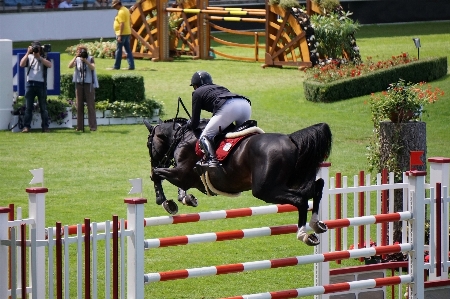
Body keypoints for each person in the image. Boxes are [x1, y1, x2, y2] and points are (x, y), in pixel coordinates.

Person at [186, 71, 252, 168]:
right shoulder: (220, 87)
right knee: (242, 135)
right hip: (244, 103)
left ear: (195, 85)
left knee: (205, 136)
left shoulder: (197, 92)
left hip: (229, 107)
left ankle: (212, 160)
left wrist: (189, 124)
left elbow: (195, 123)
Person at [19, 41, 52, 133]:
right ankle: (26, 126)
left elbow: (49, 65)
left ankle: (45, 127)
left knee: (43, 107)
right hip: (30, 83)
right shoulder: (29, 57)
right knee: (28, 107)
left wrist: (39, 58)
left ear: (40, 48)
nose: (36, 50)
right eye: (34, 48)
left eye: (37, 48)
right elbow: (21, 64)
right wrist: (27, 52)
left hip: (41, 84)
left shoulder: (44, 56)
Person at [68, 46, 99, 132]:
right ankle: (79, 126)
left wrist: (85, 61)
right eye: (79, 51)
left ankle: (93, 126)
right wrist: (75, 56)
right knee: (79, 105)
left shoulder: (90, 58)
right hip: (79, 83)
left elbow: (93, 67)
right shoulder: (77, 59)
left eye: (82, 51)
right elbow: (69, 66)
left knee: (90, 105)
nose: (81, 53)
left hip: (88, 84)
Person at [110, 0, 135, 70]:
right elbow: (129, 22)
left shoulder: (121, 12)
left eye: (115, 6)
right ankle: (131, 66)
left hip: (122, 33)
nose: (114, 8)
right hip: (127, 32)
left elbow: (122, 24)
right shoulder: (126, 10)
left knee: (119, 50)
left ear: (118, 4)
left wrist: (120, 35)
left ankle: (116, 66)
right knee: (128, 50)